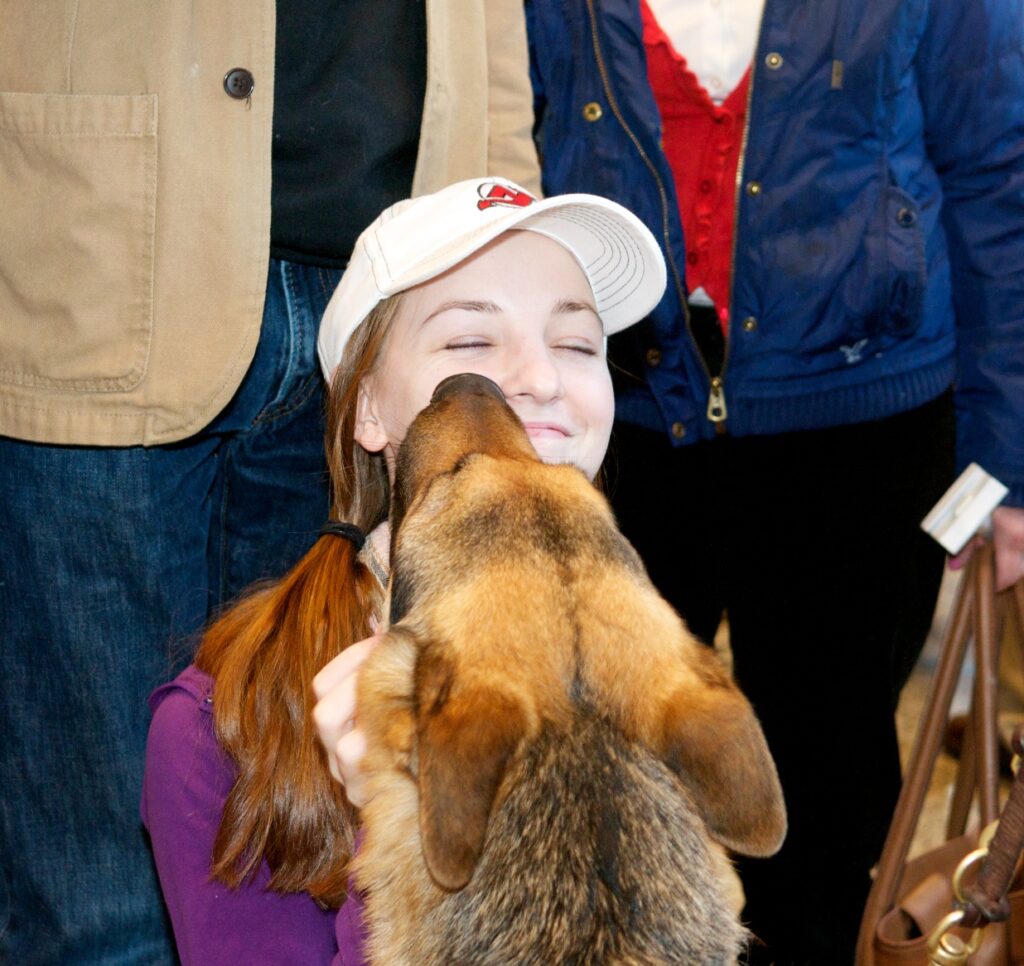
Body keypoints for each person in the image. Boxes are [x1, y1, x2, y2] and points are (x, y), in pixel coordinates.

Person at [0, 5, 538, 962]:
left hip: (387, 301)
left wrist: (512, 252)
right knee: (94, 894)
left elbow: (493, 42)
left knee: (308, 839)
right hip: (100, 252)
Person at [522, 0, 1024, 962]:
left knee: (824, 803)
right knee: (598, 793)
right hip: (611, 417)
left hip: (859, 422)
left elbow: (996, 168)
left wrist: (1004, 450)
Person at [141, 176, 669, 963]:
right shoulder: (222, 728)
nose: (543, 379)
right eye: (468, 343)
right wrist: (406, 835)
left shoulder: (646, 672)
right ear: (369, 411)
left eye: (577, 344)